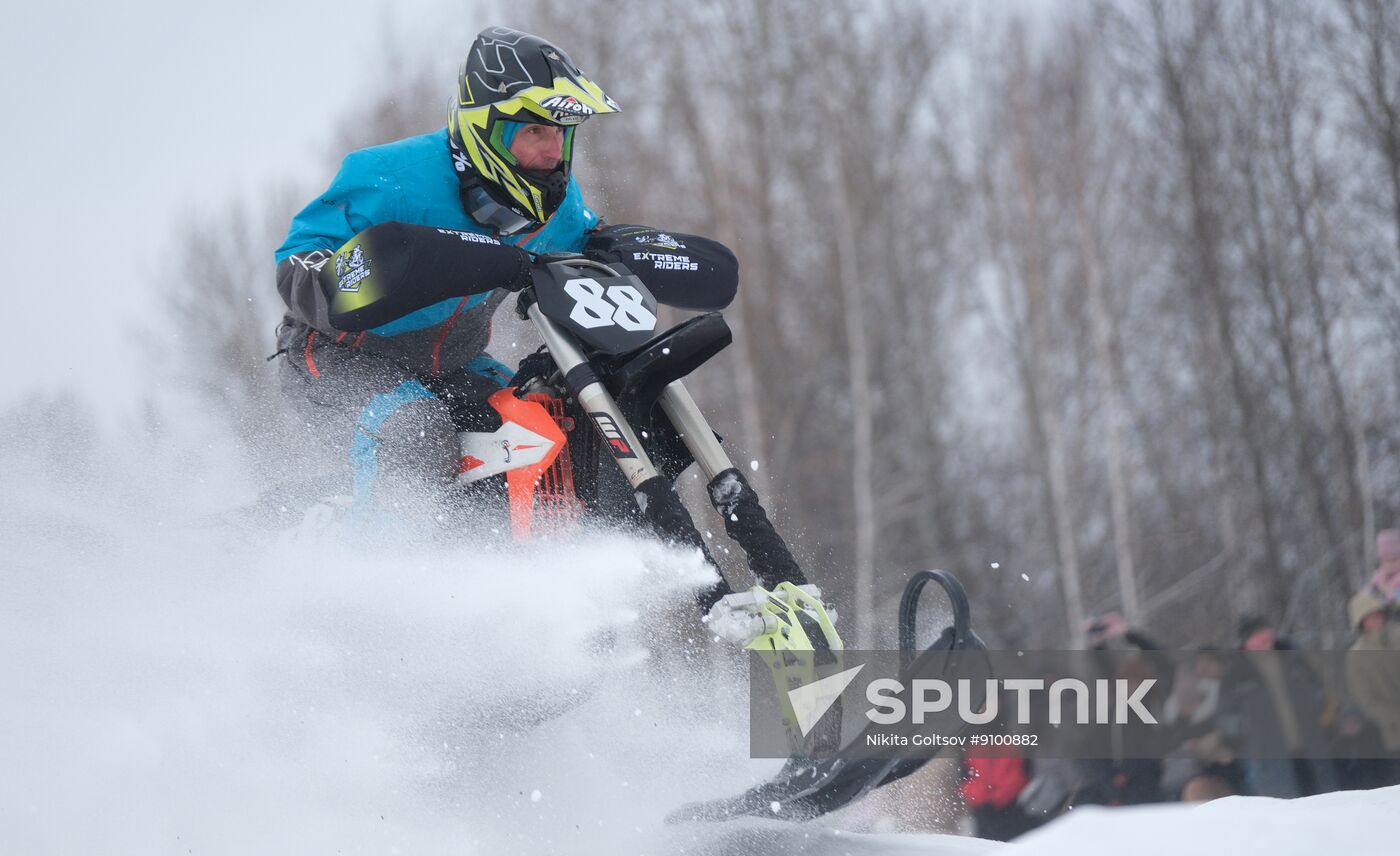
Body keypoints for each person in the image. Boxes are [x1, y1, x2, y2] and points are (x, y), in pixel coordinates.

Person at [272, 26, 739, 522]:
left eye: (560, 132)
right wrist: (358, 278)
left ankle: (525, 569)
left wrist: (622, 250)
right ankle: (372, 584)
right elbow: (299, 257)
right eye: (535, 130)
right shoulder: (391, 176)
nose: (551, 151)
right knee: (415, 434)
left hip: (451, 364)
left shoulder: (557, 207)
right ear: (487, 127)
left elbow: (581, 244)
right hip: (336, 355)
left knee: (549, 426)